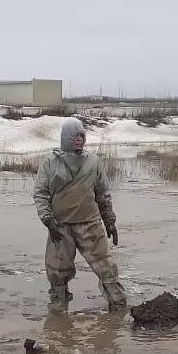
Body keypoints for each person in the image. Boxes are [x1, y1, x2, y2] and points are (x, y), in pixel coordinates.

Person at [32, 118, 128, 311]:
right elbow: (40, 193)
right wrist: (48, 221)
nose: (79, 139)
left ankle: (119, 308)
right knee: (57, 272)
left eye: (82, 135)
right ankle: (58, 315)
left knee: (106, 267)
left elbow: (103, 195)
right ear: (66, 137)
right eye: (75, 135)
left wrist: (110, 221)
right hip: (60, 227)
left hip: (90, 224)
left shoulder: (93, 162)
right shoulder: (50, 164)